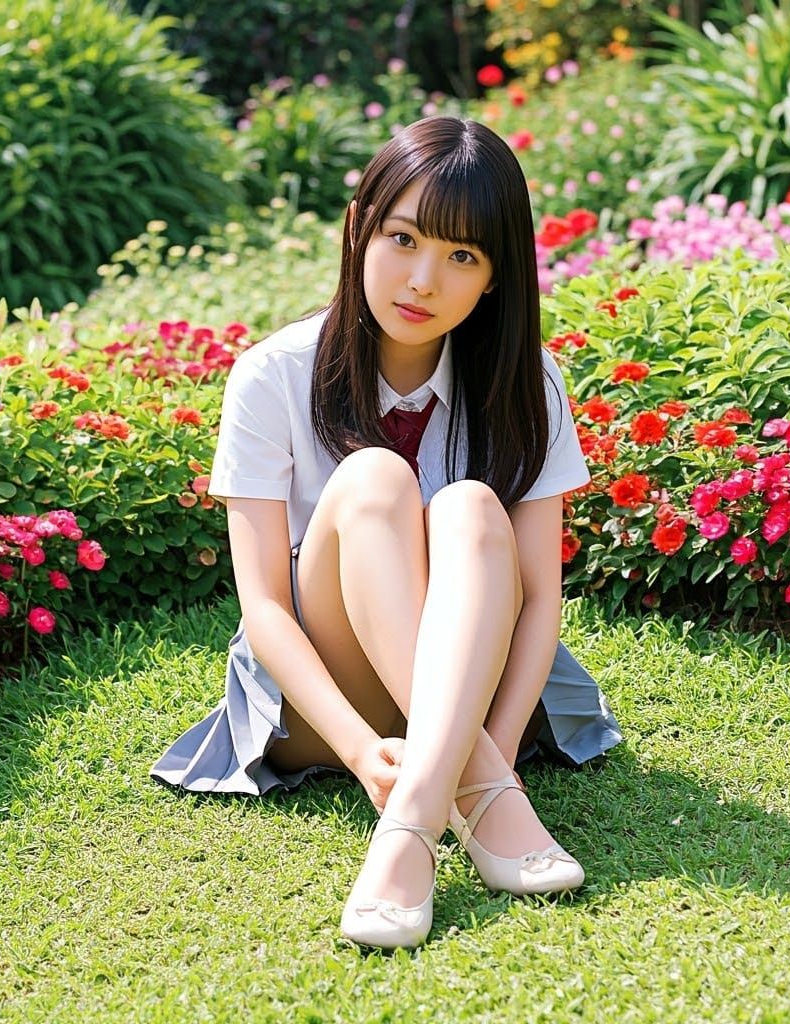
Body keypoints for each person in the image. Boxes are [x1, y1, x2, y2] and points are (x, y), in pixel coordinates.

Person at [151, 116, 623, 950]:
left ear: (495, 279)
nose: (422, 279)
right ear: (360, 227)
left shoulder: (526, 383)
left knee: (473, 507)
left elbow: (542, 599)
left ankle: (419, 821)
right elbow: (263, 605)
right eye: (403, 238)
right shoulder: (275, 374)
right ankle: (471, 800)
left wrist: (498, 755)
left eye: (462, 257)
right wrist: (366, 751)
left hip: (476, 689)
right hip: (323, 706)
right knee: (373, 479)